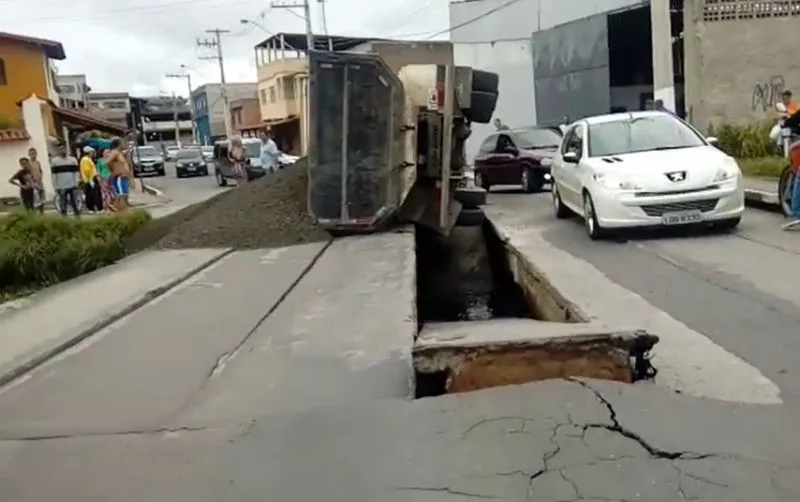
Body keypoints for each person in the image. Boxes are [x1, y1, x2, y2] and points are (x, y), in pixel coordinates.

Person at [50, 142, 81, 217]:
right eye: (60, 149)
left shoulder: (72, 160)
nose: (62, 150)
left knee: (75, 203)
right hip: (61, 186)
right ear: (58, 150)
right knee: (63, 203)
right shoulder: (54, 161)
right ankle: (64, 219)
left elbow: (76, 172)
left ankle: (77, 218)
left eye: (64, 148)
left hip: (72, 185)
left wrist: (76, 182)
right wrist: (55, 186)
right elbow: (54, 175)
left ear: (66, 149)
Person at [107, 137, 134, 211]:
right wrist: (114, 171)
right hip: (119, 176)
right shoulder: (114, 152)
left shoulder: (119, 153)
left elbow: (126, 160)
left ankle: (120, 209)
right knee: (121, 194)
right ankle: (119, 209)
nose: (123, 145)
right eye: (121, 143)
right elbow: (108, 162)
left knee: (124, 194)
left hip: (124, 176)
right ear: (118, 144)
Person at [79, 146, 102, 213]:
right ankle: (94, 208)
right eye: (92, 152)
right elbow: (87, 170)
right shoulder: (86, 159)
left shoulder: (88, 159)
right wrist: (91, 179)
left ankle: (92, 208)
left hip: (90, 178)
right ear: (88, 152)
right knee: (93, 194)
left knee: (91, 194)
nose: (93, 153)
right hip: (90, 179)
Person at [27, 147, 45, 213]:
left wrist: (41, 176)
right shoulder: (28, 164)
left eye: (34, 154)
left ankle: (42, 213)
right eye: (31, 154)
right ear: (29, 154)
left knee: (42, 199)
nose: (33, 155)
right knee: (35, 200)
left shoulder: (38, 163)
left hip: (40, 183)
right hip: (33, 184)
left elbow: (41, 171)